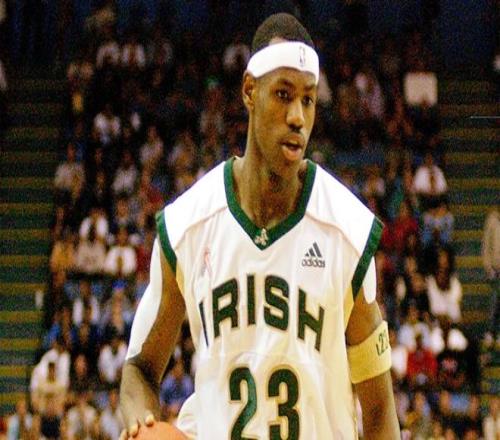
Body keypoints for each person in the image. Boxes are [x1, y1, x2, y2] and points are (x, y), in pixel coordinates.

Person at [120, 13, 399, 439]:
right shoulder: (188, 227)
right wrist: (141, 425)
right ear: (250, 91)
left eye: (308, 100)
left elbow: (379, 410)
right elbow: (139, 369)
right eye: (283, 95)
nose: (297, 117)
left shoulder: (347, 233)